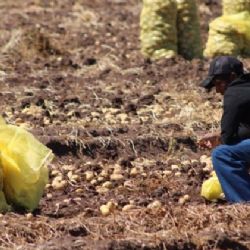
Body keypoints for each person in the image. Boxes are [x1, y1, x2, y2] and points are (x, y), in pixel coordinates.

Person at [199, 56, 250, 203]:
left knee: (222, 154)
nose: (217, 90)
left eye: (218, 83)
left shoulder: (234, 92)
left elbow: (227, 137)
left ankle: (244, 204)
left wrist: (220, 138)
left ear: (232, 77)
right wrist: (218, 135)